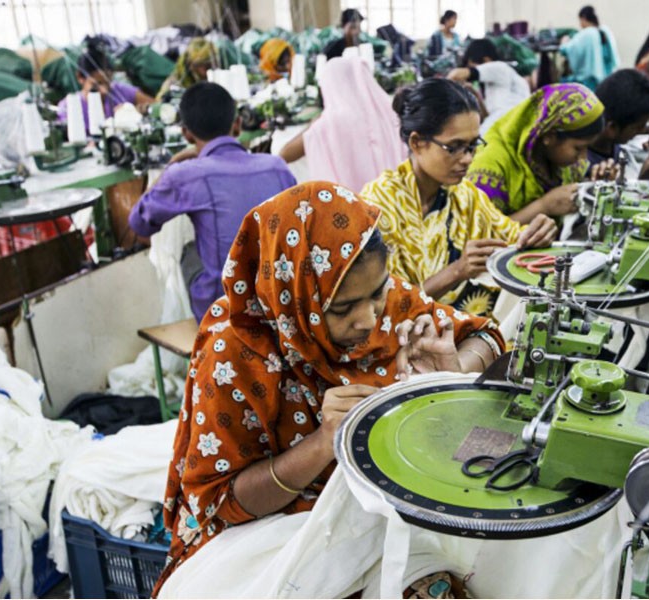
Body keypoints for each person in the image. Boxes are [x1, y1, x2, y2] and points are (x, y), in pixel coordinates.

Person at [153, 180, 505, 594]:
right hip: (276, 526)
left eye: (377, 294)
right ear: (297, 299)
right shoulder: (236, 352)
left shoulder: (385, 300)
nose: (369, 319)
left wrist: (452, 370)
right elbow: (224, 503)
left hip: (374, 506)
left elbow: (486, 335)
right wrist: (323, 444)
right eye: (342, 308)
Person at [361, 79, 556, 316]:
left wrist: (536, 235)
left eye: (472, 146)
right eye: (454, 147)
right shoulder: (378, 206)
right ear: (417, 142)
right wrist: (457, 271)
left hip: (463, 320)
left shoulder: (464, 195)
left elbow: (512, 238)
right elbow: (384, 307)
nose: (467, 159)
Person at [129, 82, 296, 322]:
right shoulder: (277, 167)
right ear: (237, 124)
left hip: (229, 311)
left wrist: (171, 167)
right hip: (282, 301)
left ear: (186, 133)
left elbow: (139, 224)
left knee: (190, 250)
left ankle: (210, 327)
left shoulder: (185, 174)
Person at [466, 83, 611, 225]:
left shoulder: (556, 161)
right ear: (550, 136)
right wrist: (544, 206)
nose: (583, 158)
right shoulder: (490, 165)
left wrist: (593, 186)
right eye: (578, 148)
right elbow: (477, 232)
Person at [278, 56, 406, 193]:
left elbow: (284, 154)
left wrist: (317, 122)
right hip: (393, 198)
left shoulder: (328, 124)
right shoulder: (388, 114)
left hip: (351, 203)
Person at [57, 44, 153, 135]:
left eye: (108, 83)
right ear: (80, 77)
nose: (104, 90)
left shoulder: (120, 91)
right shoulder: (68, 107)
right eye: (97, 84)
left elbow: (156, 107)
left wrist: (132, 111)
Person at [586, 68, 649, 178]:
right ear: (612, 128)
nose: (642, 130)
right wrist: (642, 178)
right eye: (638, 127)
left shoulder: (613, 146)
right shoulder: (592, 168)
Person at [446, 38, 531, 134]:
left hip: (505, 126)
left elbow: (455, 75)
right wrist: (476, 95)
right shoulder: (496, 83)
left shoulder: (498, 67)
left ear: (486, 59)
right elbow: (486, 116)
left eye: (472, 66)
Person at [559, 6, 619, 91]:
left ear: (583, 18)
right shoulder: (606, 31)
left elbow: (567, 49)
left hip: (590, 81)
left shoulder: (587, 33)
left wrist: (564, 42)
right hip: (607, 79)